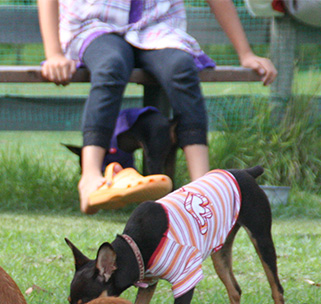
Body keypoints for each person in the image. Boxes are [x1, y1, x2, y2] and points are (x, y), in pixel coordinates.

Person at [37, 0, 277, 214]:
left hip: (158, 27)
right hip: (94, 25)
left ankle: (203, 190)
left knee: (182, 68)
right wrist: (54, 53)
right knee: (111, 65)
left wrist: (245, 53)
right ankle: (90, 178)